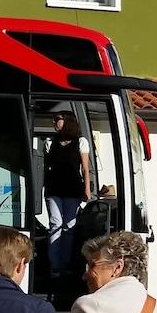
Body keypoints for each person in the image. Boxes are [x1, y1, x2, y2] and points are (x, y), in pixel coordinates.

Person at [44, 115, 91, 270]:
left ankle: (65, 264)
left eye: (57, 118)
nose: (53, 122)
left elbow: (85, 168)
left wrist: (87, 189)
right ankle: (54, 266)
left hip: (73, 189)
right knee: (55, 224)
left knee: (69, 227)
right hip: (54, 189)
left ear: (67, 121)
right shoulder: (50, 142)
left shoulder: (81, 142)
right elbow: (46, 167)